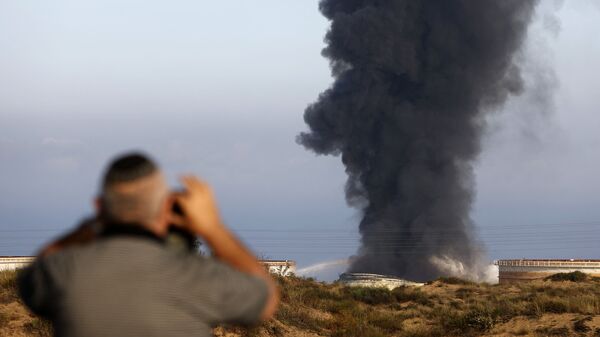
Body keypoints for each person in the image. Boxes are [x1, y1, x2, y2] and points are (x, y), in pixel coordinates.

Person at [18, 152, 279, 337]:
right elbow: (266, 300)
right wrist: (212, 228)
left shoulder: (63, 273)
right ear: (166, 208)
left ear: (99, 207)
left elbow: (36, 271)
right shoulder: (195, 276)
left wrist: (93, 226)